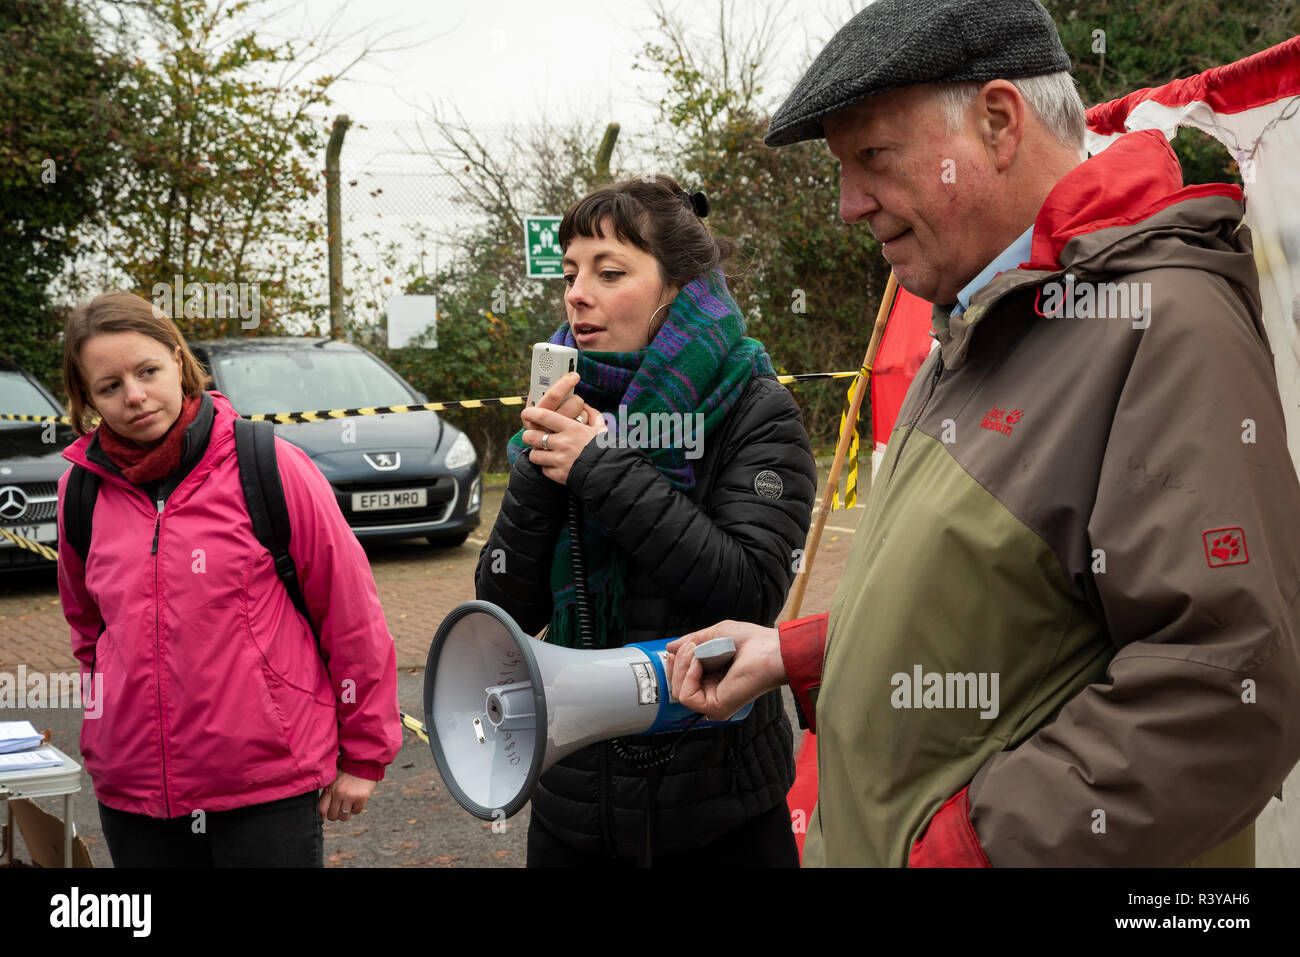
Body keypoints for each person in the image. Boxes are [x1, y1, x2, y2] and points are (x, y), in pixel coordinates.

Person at [668, 0, 1300, 867]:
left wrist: (973, 851)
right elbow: (996, 600)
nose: (851, 205)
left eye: (872, 158)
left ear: (1000, 123)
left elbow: (1232, 685)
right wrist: (800, 650)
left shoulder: (1164, 325)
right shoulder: (977, 315)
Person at [475, 175, 817, 866]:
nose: (577, 292)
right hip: (574, 800)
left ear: (679, 289)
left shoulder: (753, 406)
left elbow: (747, 592)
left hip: (713, 810)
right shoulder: (566, 409)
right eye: (571, 272)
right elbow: (501, 605)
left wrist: (601, 467)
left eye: (609, 271)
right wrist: (545, 467)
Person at [56, 290, 401, 867]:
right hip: (135, 793)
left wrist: (364, 755)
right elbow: (89, 630)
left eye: (148, 371)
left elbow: (350, 616)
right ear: (88, 399)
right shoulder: (82, 490)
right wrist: (109, 720)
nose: (135, 396)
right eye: (110, 387)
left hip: (264, 785)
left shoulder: (269, 465)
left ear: (177, 360)